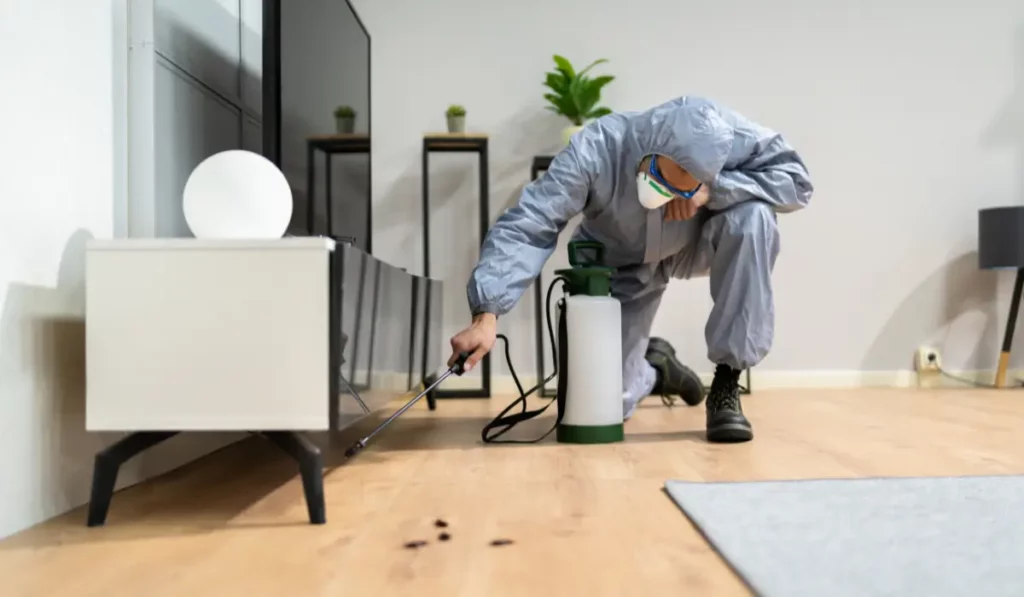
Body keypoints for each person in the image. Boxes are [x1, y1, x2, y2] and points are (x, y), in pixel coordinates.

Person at [447, 95, 813, 443]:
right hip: (620, 264)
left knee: (754, 218)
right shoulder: (595, 150)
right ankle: (655, 370)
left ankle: (727, 383)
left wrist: (713, 191)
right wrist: (487, 313)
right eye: (662, 178)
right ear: (651, 148)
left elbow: (797, 181)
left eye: (678, 189)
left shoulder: (731, 136)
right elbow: (531, 221)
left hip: (692, 244)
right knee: (607, 405)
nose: (664, 195)